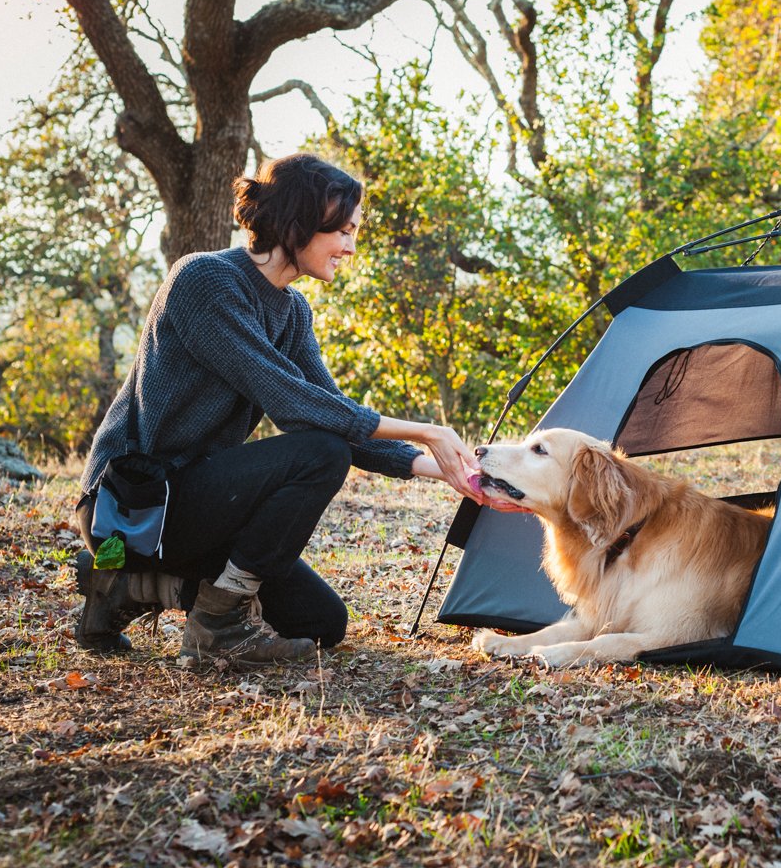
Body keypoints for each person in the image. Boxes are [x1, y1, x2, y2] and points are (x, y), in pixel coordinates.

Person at [72, 152, 496, 667]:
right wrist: (427, 430)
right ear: (298, 222)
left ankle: (126, 587)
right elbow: (291, 400)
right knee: (320, 451)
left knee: (321, 623)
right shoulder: (204, 281)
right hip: (134, 502)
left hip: (198, 503)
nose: (350, 246)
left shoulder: (293, 310)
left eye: (354, 232)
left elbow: (331, 411)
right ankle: (217, 627)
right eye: (342, 231)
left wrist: (454, 472)